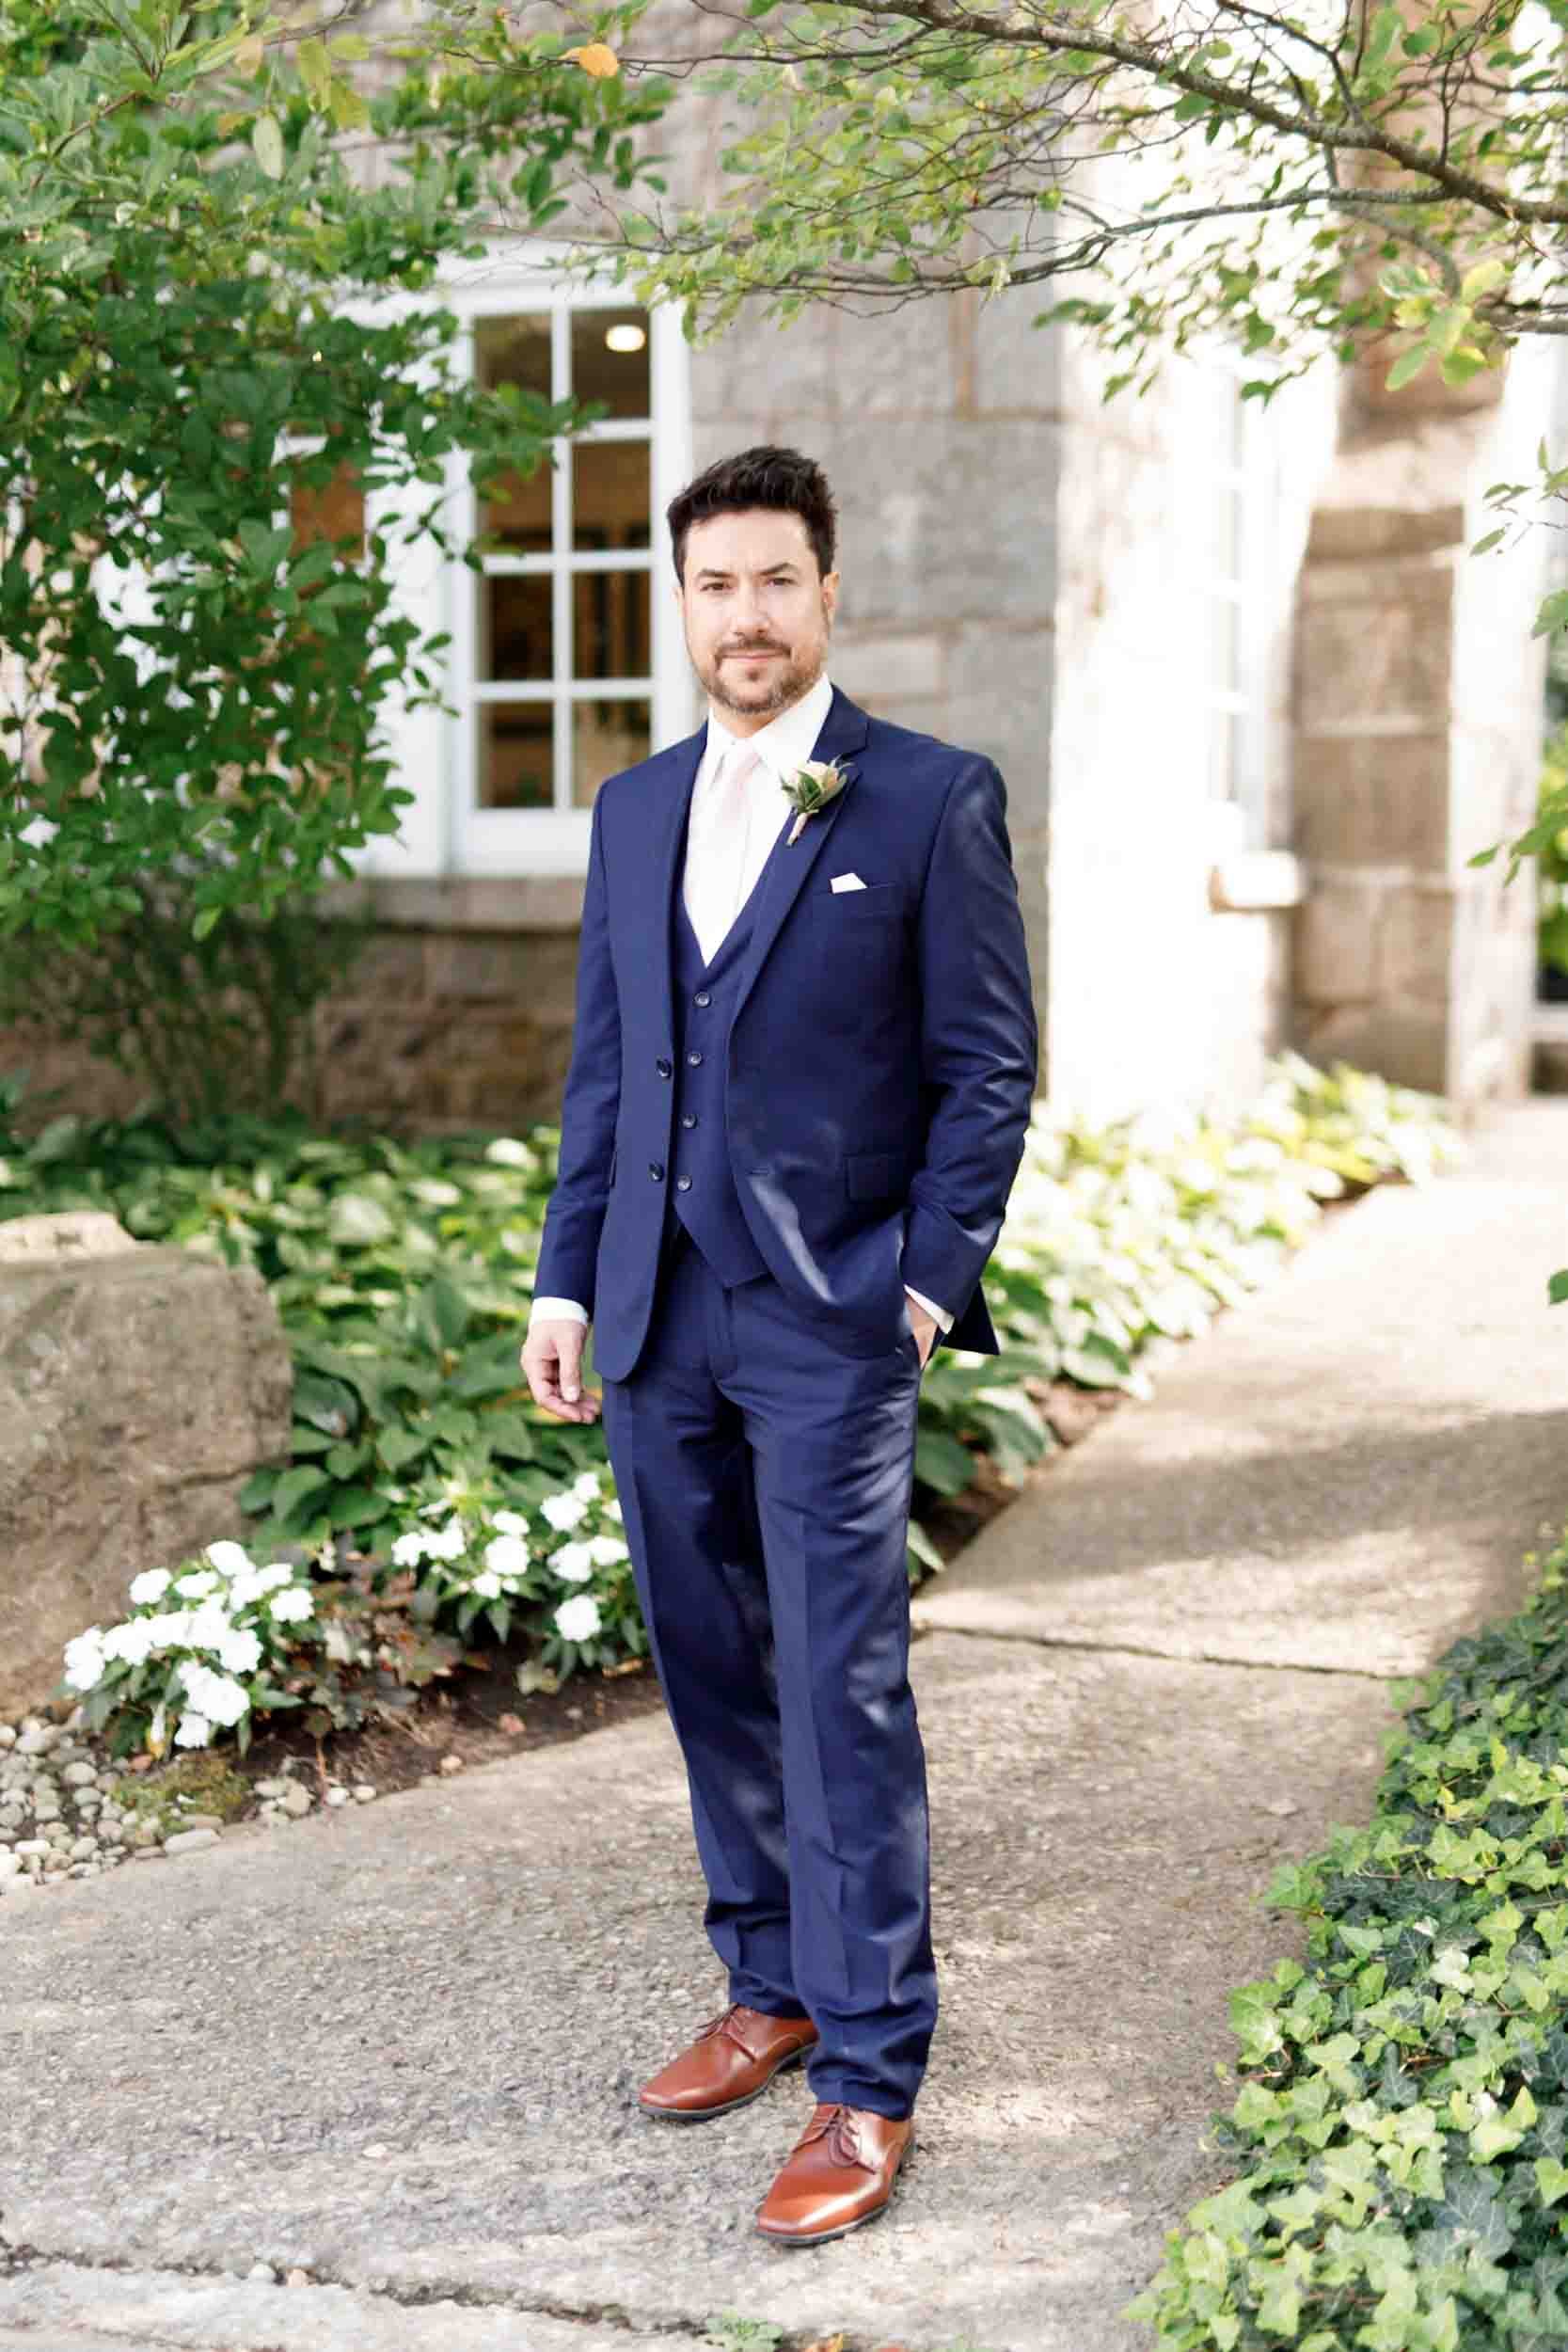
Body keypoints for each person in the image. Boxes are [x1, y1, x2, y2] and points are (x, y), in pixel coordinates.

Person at [521, 444, 1037, 2245]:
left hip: (830, 1324)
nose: (745, 618)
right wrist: (566, 1282)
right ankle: (772, 1980)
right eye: (714, 586)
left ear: (831, 596)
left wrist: (918, 1280)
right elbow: (607, 1064)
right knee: (711, 1663)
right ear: (684, 606)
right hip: (657, 1317)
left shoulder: (926, 800)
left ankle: (870, 2072)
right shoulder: (631, 809)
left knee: (840, 1685)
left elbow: (987, 1069)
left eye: (775, 583)